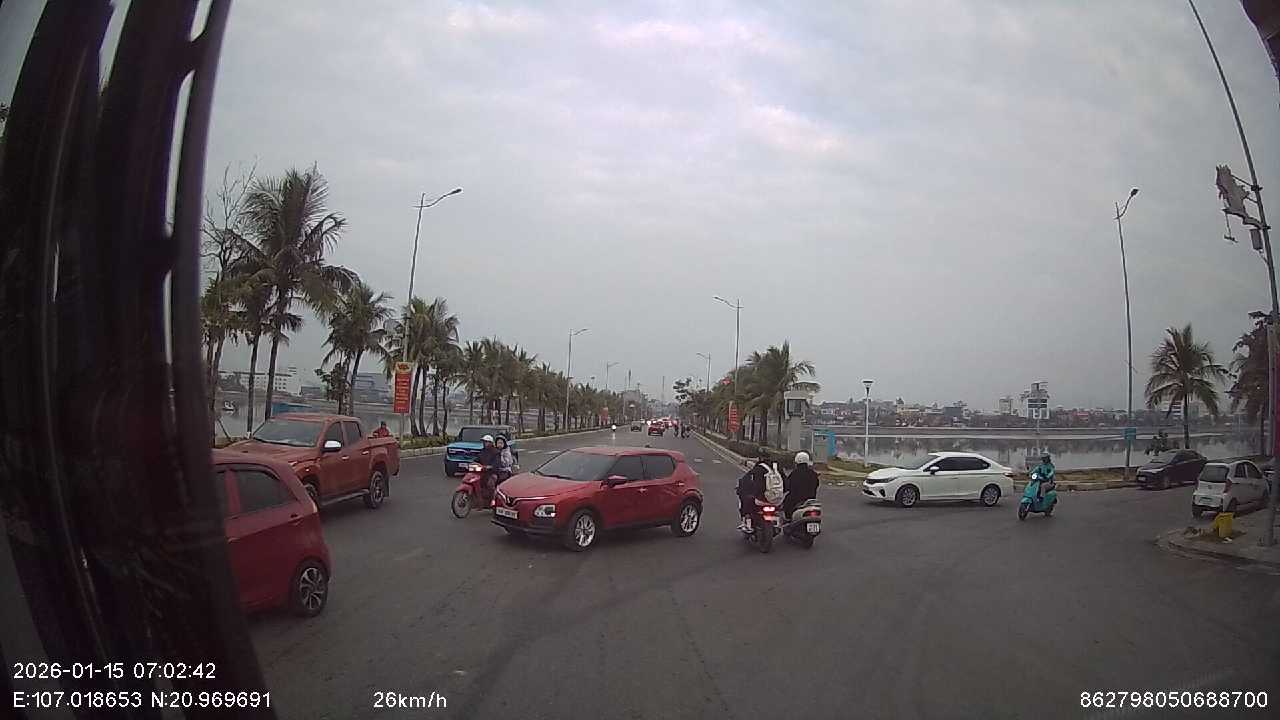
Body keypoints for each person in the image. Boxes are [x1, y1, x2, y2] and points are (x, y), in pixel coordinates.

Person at [737, 448, 772, 531]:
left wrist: (740, 490)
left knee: (746, 503)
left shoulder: (757, 469)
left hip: (761, 498)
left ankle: (747, 523)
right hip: (776, 499)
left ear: (760, 458)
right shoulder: (776, 468)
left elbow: (746, 481)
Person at [783, 451, 820, 520]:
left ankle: (789, 519)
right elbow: (817, 485)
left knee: (786, 503)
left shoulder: (794, 474)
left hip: (796, 501)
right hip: (811, 500)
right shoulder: (813, 474)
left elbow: (788, 486)